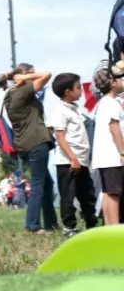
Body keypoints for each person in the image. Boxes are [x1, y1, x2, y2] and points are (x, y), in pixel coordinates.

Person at [0, 63, 56, 234]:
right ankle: (31, 226)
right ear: (23, 76)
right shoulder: (23, 91)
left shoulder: (9, 95)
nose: (34, 75)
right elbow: (47, 73)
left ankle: (51, 224)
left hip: (23, 145)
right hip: (36, 142)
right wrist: (24, 78)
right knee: (39, 185)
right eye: (31, 73)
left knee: (47, 182)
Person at [49, 72, 98, 237]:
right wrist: (72, 158)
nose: (81, 91)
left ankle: (92, 223)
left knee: (87, 194)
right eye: (78, 87)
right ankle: (69, 228)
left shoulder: (75, 110)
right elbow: (60, 138)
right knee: (68, 197)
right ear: (67, 92)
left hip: (81, 161)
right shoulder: (61, 112)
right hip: (68, 162)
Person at [91, 60, 124, 226]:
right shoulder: (111, 103)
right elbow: (114, 127)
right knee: (114, 193)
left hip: (105, 157)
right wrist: (123, 152)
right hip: (113, 156)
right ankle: (114, 226)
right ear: (112, 82)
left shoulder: (104, 102)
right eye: (120, 78)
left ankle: (109, 226)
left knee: (107, 192)